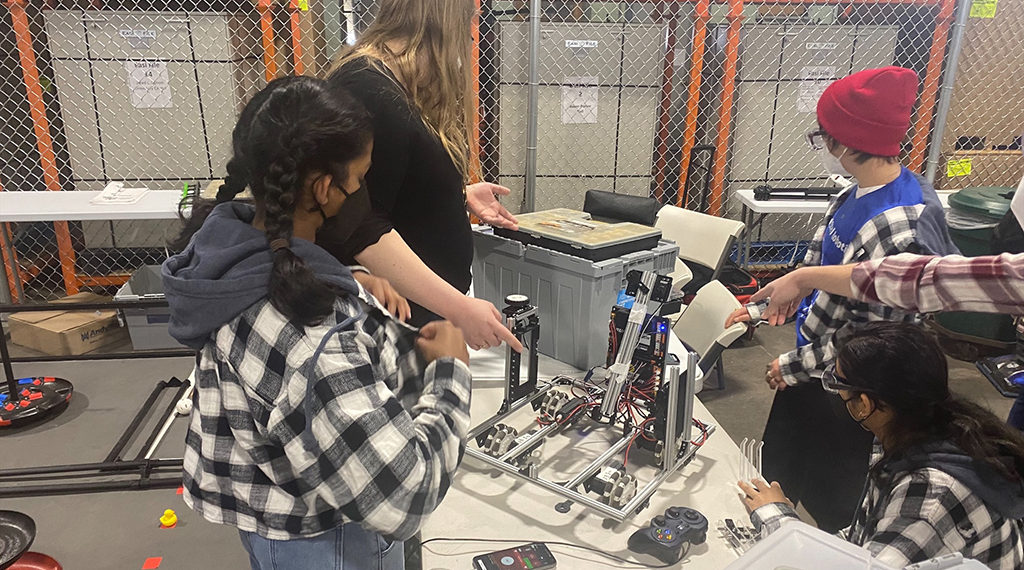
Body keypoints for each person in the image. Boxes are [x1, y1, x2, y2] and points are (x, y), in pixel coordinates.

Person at [162, 76, 471, 570]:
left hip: (269, 523)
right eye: (361, 178)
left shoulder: (225, 259)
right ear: (326, 189)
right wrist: (450, 372)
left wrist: (342, 278)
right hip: (331, 543)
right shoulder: (316, 341)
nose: (364, 193)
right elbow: (406, 494)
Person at [756, 66, 961, 532]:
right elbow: (815, 264)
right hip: (814, 362)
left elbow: (869, 340)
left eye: (821, 135)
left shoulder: (900, 225)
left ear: (844, 142)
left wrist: (792, 366)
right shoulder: (854, 194)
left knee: (835, 502)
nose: (821, 145)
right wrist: (763, 306)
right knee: (780, 471)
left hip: (855, 385)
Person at [320, 0, 523, 352]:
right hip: (390, 326)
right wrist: (459, 309)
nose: (470, 34)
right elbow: (360, 225)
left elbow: (394, 184)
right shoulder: (369, 89)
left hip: (414, 321)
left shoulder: (392, 83)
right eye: (470, 19)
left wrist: (454, 194)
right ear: (445, 17)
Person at [739, 322, 1024, 569]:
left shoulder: (930, 498)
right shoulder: (916, 430)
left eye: (838, 384)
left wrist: (778, 519)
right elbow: (864, 543)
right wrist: (799, 533)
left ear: (865, 404)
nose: (836, 394)